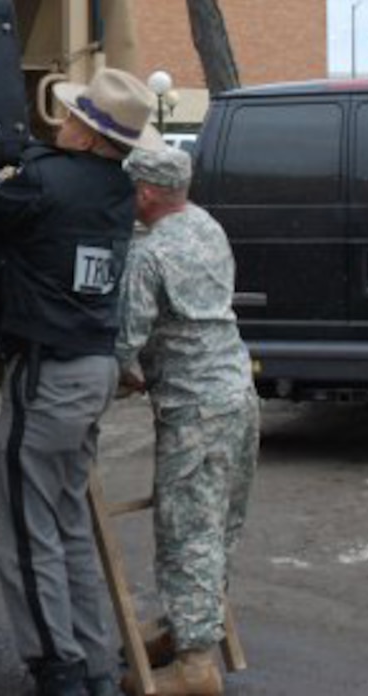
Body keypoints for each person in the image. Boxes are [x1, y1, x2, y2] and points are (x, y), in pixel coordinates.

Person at [0, 69, 164, 696]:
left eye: (72, 120)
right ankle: (93, 663)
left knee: (29, 533)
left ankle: (55, 669)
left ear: (88, 138)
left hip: (50, 374)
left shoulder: (48, 182)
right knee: (64, 524)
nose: (59, 125)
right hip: (91, 369)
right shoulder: (116, 191)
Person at [117, 145, 259, 696]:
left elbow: (124, 343)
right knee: (217, 525)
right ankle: (184, 630)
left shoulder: (148, 255)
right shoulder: (207, 227)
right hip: (237, 394)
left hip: (194, 408)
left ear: (146, 193)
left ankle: (196, 665)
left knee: (187, 533)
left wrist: (110, 381)